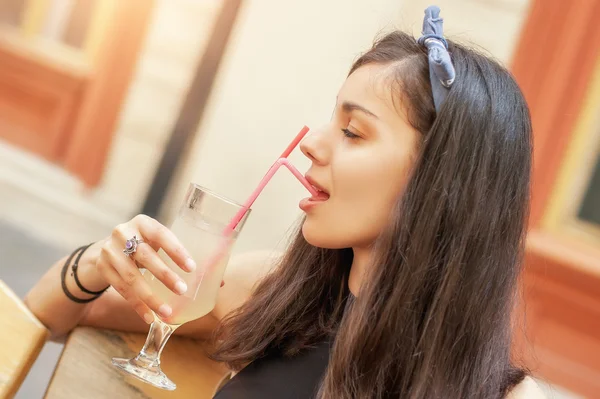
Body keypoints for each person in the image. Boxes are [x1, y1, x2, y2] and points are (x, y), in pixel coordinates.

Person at [25, 6, 546, 398]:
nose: (312, 144)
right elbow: (48, 316)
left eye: (353, 131)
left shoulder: (500, 394)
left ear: (441, 178)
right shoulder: (278, 293)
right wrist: (97, 262)